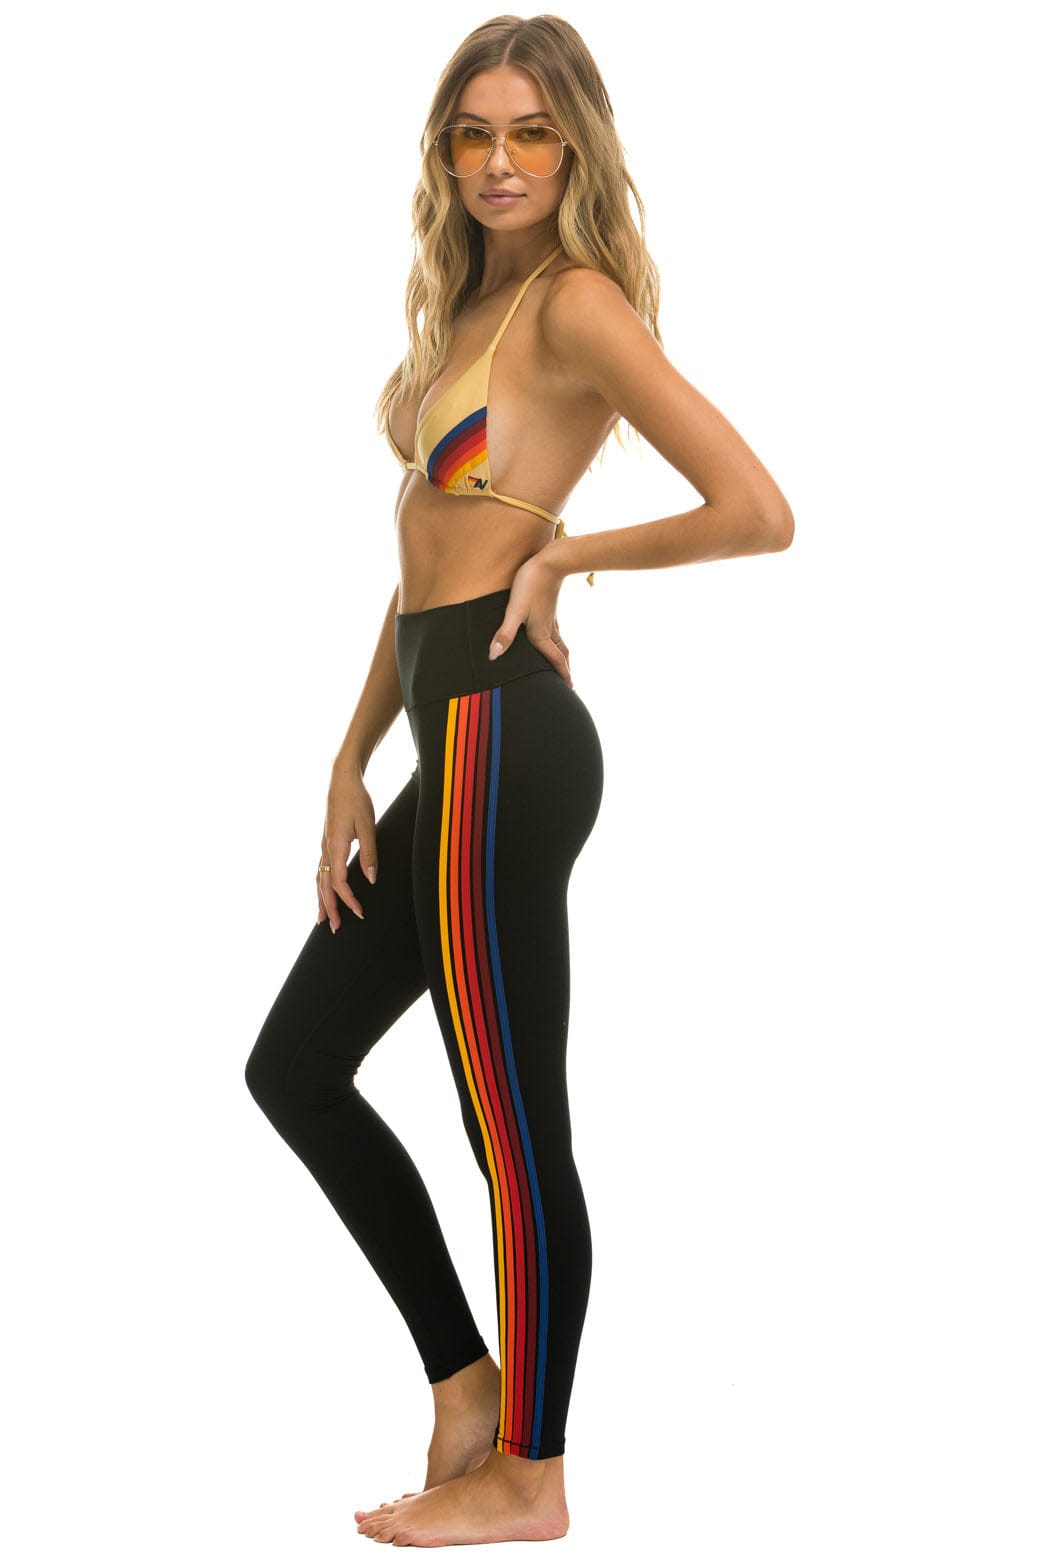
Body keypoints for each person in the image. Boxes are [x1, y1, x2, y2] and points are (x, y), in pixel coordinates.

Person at [244, 11, 794, 1547]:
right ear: (445, 153)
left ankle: (532, 1476)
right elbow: (424, 567)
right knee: (294, 1068)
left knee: (509, 1120)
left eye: (531, 133)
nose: (500, 161)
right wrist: (350, 759)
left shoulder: (575, 305)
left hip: (507, 738)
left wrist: (562, 556)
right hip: (450, 744)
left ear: (575, 148)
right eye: (474, 133)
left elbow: (757, 509)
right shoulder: (472, 308)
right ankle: (466, 1384)